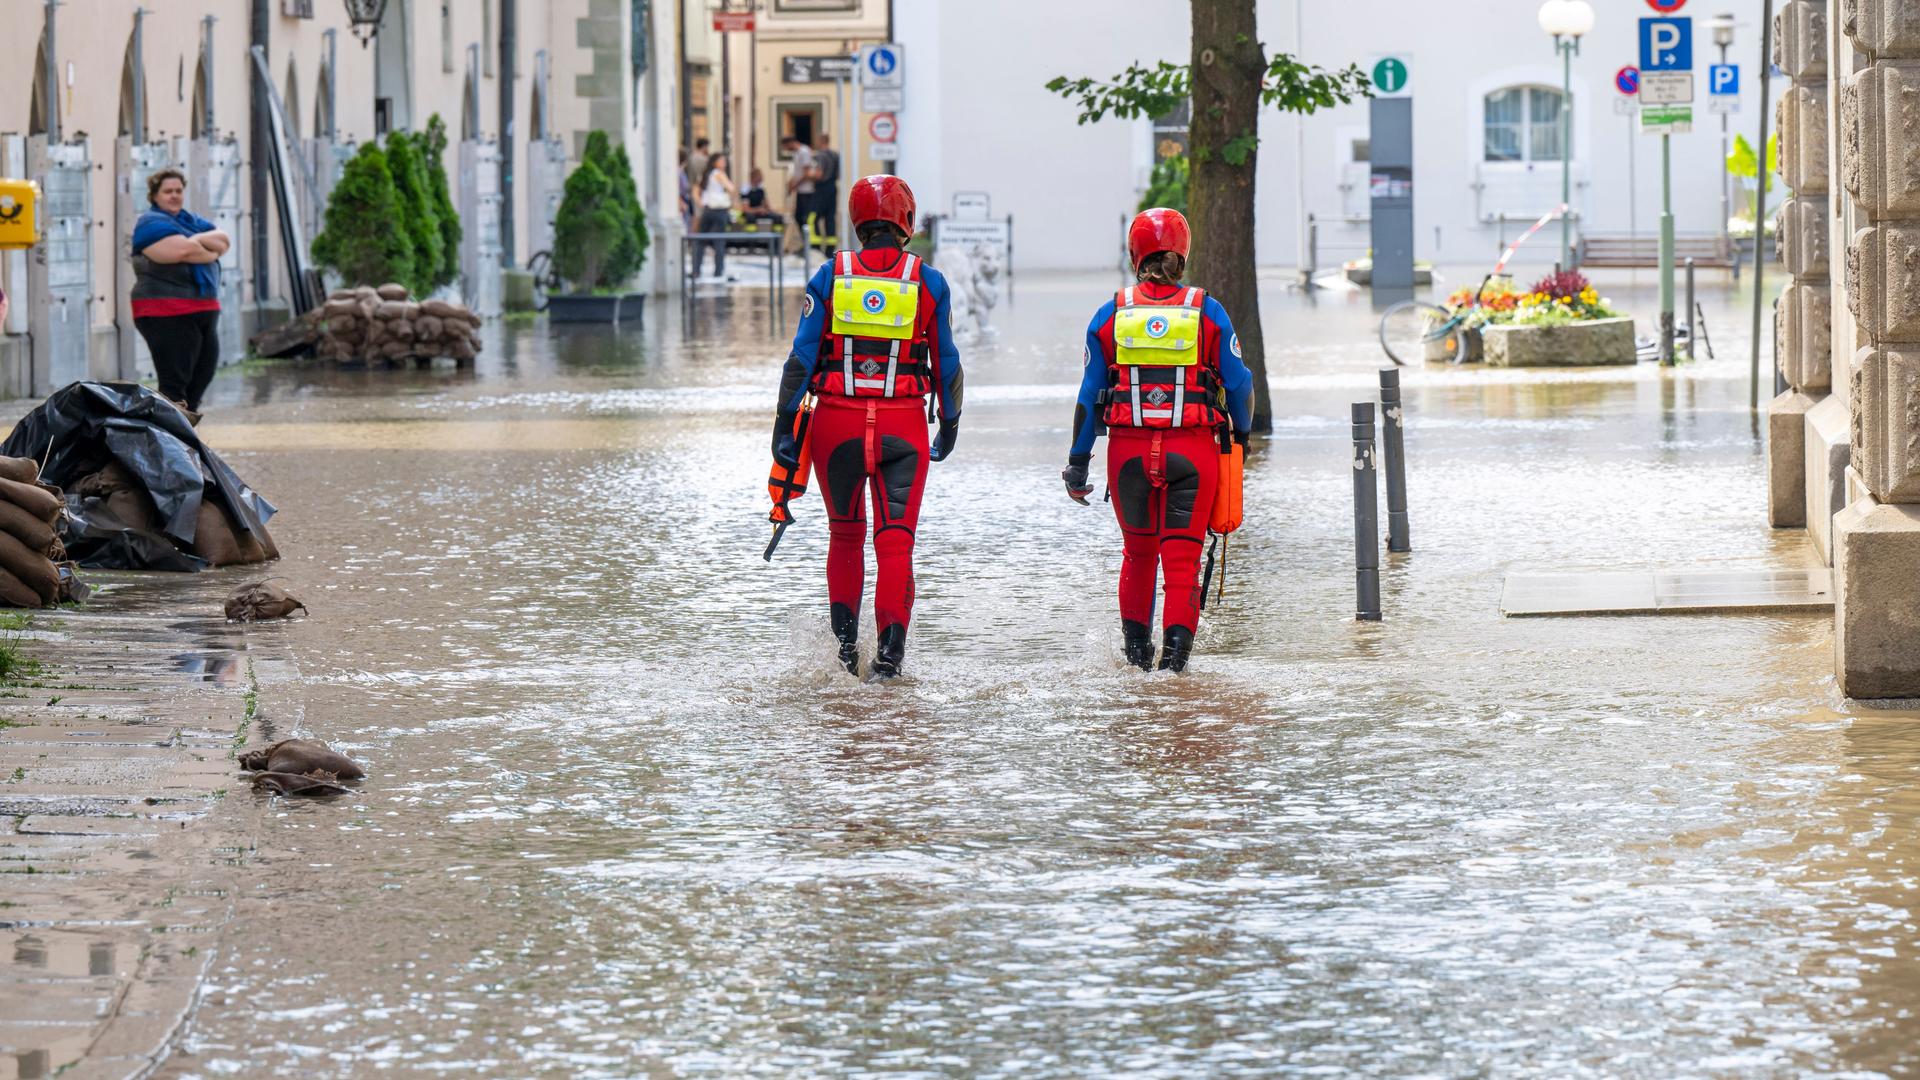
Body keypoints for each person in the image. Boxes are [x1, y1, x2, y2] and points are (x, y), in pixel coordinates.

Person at [772, 175, 964, 680]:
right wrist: (950, 419)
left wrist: (784, 431)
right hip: (904, 428)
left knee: (845, 536)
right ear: (905, 220)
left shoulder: (829, 276)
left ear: (858, 222)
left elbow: (800, 360)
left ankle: (842, 656)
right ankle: (889, 662)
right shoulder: (930, 281)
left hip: (837, 426)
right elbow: (946, 362)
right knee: (896, 542)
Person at [1061, 208, 1252, 673]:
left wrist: (1078, 462)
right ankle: (1174, 675)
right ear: (1182, 255)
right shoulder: (1207, 311)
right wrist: (1241, 438)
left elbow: (1089, 396)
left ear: (1135, 254)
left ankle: (1135, 664)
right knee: (1182, 563)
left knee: (1138, 556)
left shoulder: (1110, 314)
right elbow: (1241, 384)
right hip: (1193, 452)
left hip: (1128, 456)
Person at [130, 168, 230, 418]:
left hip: (204, 309)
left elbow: (223, 241)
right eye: (168, 191)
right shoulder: (150, 223)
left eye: (178, 191)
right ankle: (165, 442)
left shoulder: (191, 221)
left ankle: (184, 438)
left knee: (200, 379)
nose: (174, 196)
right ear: (155, 196)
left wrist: (194, 239)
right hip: (165, 312)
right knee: (174, 387)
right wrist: (206, 250)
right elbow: (180, 252)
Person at [691, 152, 738, 281]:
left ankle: (696, 270)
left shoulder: (705, 175)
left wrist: (701, 203)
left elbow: (695, 191)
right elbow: (731, 188)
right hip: (719, 210)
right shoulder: (718, 174)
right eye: (722, 161)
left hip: (708, 209)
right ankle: (718, 270)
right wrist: (729, 198)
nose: (724, 163)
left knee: (701, 240)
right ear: (715, 162)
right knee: (719, 241)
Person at [781, 134, 816, 256]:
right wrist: (791, 184)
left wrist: (795, 185)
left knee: (804, 218)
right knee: (798, 216)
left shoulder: (804, 152)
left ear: (791, 143)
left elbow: (806, 173)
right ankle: (804, 242)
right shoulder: (797, 154)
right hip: (801, 191)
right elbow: (797, 172)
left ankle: (808, 244)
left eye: (786, 146)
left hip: (807, 191)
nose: (786, 149)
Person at [810, 134, 841, 241]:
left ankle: (816, 245)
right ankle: (830, 248)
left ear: (820, 141)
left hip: (821, 189)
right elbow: (839, 174)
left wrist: (808, 176)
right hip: (832, 187)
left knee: (813, 217)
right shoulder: (835, 155)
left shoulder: (821, 155)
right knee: (830, 218)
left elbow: (819, 174)